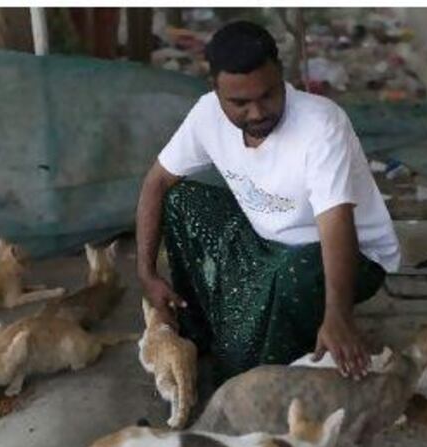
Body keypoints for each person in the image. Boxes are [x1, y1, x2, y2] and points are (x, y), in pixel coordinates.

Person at [135, 20, 400, 384]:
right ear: (215, 90)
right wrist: (147, 275)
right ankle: (195, 331)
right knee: (182, 199)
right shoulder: (205, 114)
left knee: (247, 368)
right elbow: (157, 182)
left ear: (281, 76)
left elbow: (336, 222)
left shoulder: (321, 125)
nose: (257, 113)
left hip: (341, 256)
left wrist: (339, 315)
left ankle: (297, 337)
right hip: (264, 240)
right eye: (240, 103)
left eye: (268, 95)